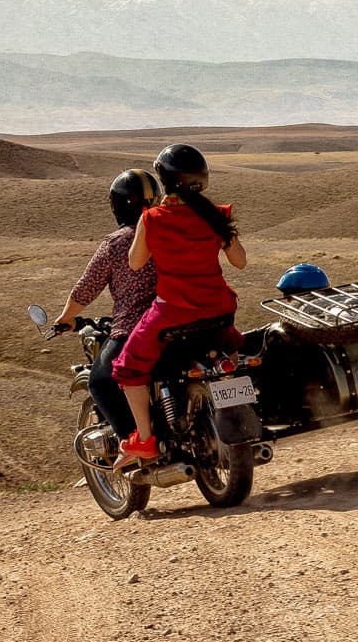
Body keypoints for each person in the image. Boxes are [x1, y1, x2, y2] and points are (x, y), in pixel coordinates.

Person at [111, 144, 248, 467]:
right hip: (219, 309)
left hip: (172, 312)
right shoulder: (217, 215)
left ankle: (144, 439)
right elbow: (239, 262)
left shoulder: (152, 218)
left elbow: (135, 262)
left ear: (165, 180)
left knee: (127, 367)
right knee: (232, 348)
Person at [52, 168, 162, 447]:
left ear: (118, 204)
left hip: (137, 325)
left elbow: (87, 287)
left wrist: (65, 318)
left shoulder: (116, 243)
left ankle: (135, 442)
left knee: (100, 382)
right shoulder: (172, 230)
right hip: (184, 314)